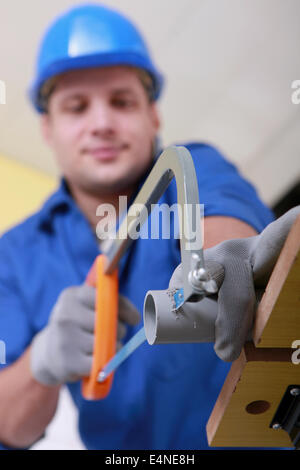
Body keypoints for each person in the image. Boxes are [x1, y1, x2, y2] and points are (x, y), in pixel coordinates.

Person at [0, 3, 280, 450]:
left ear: (154, 115)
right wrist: (42, 360)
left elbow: (224, 222)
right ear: (48, 129)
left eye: (121, 101)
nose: (102, 124)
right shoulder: (13, 256)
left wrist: (219, 265)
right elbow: (6, 426)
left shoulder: (193, 170)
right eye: (77, 107)